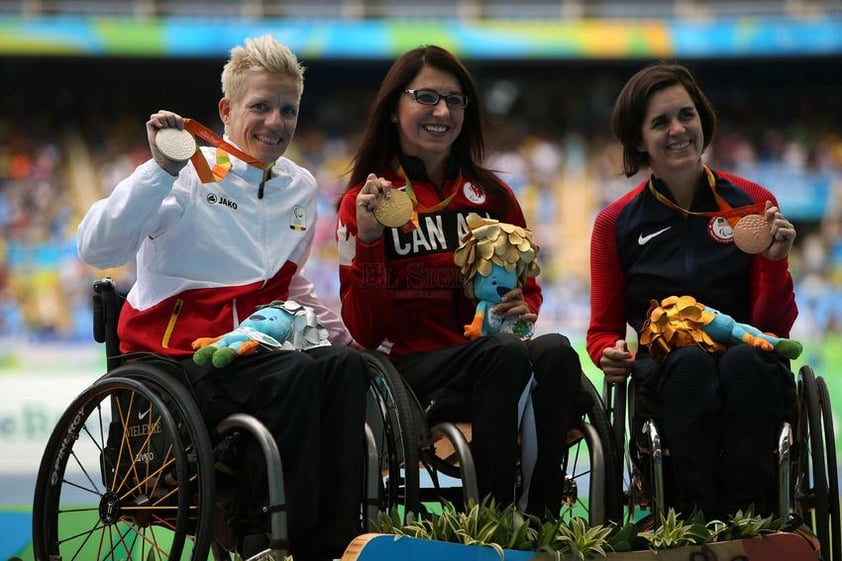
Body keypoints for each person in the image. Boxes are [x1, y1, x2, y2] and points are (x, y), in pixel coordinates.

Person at [76, 34, 367, 561]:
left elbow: (288, 282)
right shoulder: (185, 175)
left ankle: (341, 537)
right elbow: (98, 246)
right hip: (179, 359)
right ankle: (273, 540)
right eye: (260, 106)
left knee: (344, 368)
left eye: (288, 110)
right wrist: (159, 169)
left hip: (257, 352)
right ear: (227, 109)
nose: (275, 122)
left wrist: (350, 338)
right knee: (294, 375)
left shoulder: (300, 187)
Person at [335, 44, 582, 519]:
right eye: (426, 97)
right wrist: (368, 239)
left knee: (554, 351)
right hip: (407, 372)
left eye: (455, 100)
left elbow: (526, 286)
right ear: (393, 109)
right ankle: (491, 522)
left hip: (491, 359)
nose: (442, 112)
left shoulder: (493, 195)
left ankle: (541, 518)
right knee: (502, 354)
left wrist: (522, 306)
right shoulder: (364, 202)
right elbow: (364, 331)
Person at [587, 62, 798, 520]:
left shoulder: (753, 202)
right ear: (639, 139)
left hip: (749, 361)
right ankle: (692, 516)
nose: (678, 129)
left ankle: (747, 513)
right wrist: (609, 352)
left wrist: (776, 264)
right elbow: (602, 330)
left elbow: (774, 328)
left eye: (687, 115)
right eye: (660, 122)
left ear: (703, 121)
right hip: (669, 372)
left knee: (744, 360)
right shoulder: (614, 223)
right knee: (688, 364)